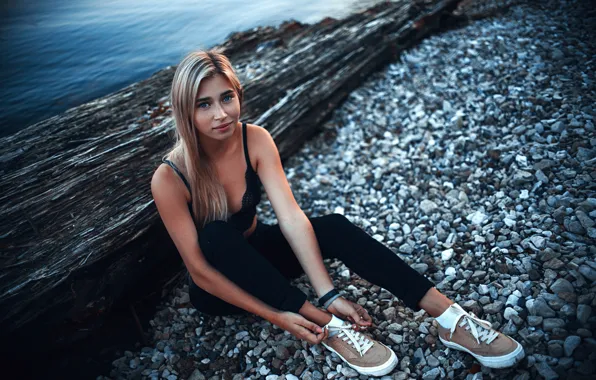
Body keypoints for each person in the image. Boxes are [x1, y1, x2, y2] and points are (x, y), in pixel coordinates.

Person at [151, 49, 525, 376]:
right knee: (216, 234)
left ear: (238, 96)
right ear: (185, 109)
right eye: (204, 104)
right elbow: (200, 272)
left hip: (260, 254)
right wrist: (280, 316)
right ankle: (328, 328)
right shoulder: (170, 177)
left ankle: (447, 316)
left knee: (330, 226)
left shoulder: (255, 139)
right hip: (221, 288)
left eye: (226, 98)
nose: (220, 114)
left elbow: (292, 218)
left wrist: (327, 292)